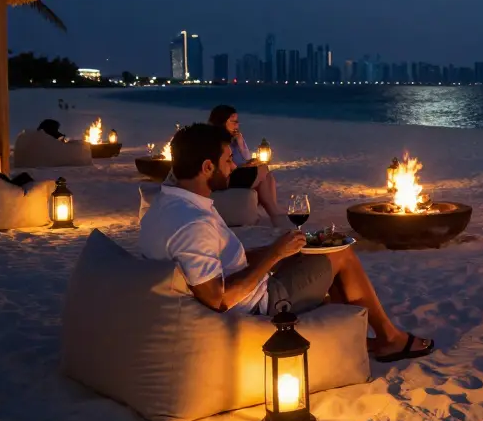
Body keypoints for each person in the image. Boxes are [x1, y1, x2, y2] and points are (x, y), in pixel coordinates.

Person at [139, 123, 435, 362]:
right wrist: (273, 256)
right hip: (258, 307)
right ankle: (389, 339)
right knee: (341, 255)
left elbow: (217, 265)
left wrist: (279, 253)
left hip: (248, 288)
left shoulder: (164, 206)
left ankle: (352, 339)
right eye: (228, 160)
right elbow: (219, 299)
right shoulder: (194, 223)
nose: (233, 167)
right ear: (206, 167)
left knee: (314, 255)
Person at [207, 105, 281, 223]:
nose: (237, 125)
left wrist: (241, 143)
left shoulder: (233, 138)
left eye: (238, 122)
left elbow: (245, 158)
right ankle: (275, 213)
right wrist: (245, 167)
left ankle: (274, 211)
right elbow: (226, 167)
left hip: (237, 172)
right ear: (222, 122)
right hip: (226, 178)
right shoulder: (217, 141)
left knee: (267, 176)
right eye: (233, 122)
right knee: (263, 169)